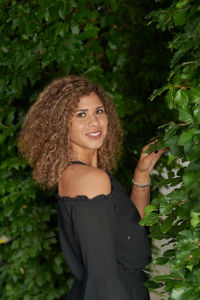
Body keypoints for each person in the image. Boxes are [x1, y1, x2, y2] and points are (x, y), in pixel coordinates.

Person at [18, 76, 168, 299]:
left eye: (99, 111)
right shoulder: (91, 179)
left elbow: (132, 231)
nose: (95, 122)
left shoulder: (84, 175)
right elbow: (103, 278)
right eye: (81, 114)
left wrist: (142, 174)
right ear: (60, 124)